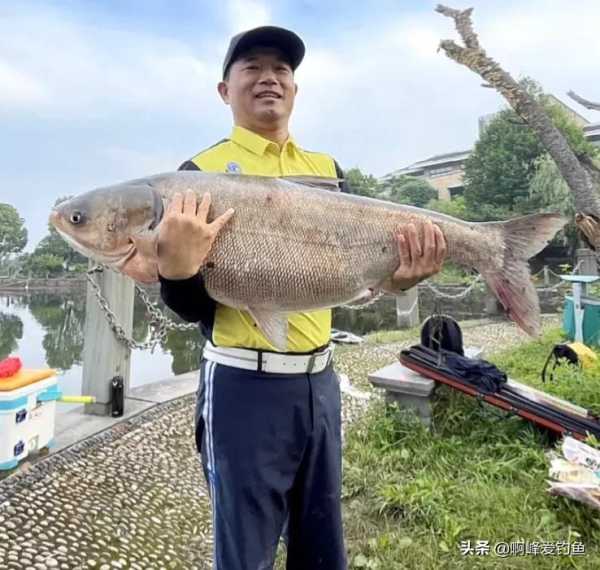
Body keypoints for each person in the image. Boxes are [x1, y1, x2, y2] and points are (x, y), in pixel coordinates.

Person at [158, 25, 446, 570]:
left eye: (282, 70)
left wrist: (397, 280)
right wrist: (177, 270)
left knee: (321, 543)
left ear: (294, 88)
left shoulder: (327, 172)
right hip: (242, 384)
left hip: (320, 382)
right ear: (225, 90)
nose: (269, 78)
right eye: (252, 67)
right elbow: (192, 307)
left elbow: (349, 281)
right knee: (246, 549)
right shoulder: (195, 177)